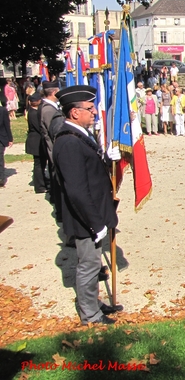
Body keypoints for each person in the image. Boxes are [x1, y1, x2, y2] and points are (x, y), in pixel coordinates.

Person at [52, 85, 122, 325]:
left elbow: (89, 169)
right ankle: (90, 314)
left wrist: (106, 158)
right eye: (90, 109)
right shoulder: (69, 141)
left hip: (95, 212)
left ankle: (94, 303)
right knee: (89, 265)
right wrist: (95, 223)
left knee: (93, 264)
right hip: (86, 217)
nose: (94, 113)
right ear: (74, 112)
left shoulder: (80, 134)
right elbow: (76, 189)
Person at [39, 81, 64, 220]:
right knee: (58, 183)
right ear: (54, 92)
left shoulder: (49, 107)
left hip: (53, 150)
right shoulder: (49, 110)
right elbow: (54, 133)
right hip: (54, 151)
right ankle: (60, 212)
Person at [25, 93, 47, 192]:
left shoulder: (33, 111)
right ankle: (40, 186)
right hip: (36, 141)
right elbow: (38, 127)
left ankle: (42, 181)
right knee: (38, 164)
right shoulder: (33, 113)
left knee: (41, 163)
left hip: (36, 140)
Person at [0, 102, 13, 188]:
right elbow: (6, 124)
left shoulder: (3, 110)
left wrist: (10, 138)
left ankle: (1, 178)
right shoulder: (3, 110)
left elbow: (6, 124)